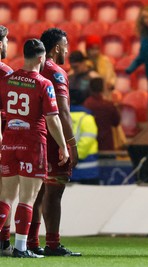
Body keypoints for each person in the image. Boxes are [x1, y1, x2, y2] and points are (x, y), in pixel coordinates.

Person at [0, 38, 69, 258]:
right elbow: (53, 120)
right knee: (27, 198)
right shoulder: (43, 83)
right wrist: (63, 146)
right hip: (32, 143)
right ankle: (21, 247)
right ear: (41, 58)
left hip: (9, 142)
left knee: (5, 198)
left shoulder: (7, 79)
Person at [27, 28, 80, 257]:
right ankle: (53, 243)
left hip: (32, 138)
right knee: (54, 192)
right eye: (66, 45)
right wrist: (70, 144)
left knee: (35, 193)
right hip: (52, 140)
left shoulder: (32, 69)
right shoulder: (56, 72)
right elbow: (63, 112)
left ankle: (29, 242)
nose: (67, 50)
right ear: (57, 47)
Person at [0, 25, 14, 257]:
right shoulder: (5, 74)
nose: (7, 44)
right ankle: (3, 243)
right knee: (7, 191)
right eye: (6, 40)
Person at [70, 87, 99, 184]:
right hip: (87, 171)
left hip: (63, 170)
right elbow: (87, 141)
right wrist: (75, 157)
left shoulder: (58, 118)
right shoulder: (87, 118)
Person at [84, 77, 121, 151]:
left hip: (90, 145)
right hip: (106, 144)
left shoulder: (86, 104)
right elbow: (116, 122)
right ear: (103, 89)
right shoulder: (109, 105)